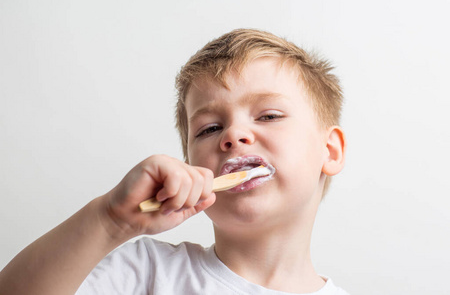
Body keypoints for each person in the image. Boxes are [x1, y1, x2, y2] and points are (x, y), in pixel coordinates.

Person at [0, 28, 349, 294]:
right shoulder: (145, 273)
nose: (233, 135)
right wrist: (109, 222)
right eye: (209, 128)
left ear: (330, 151)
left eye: (269, 116)